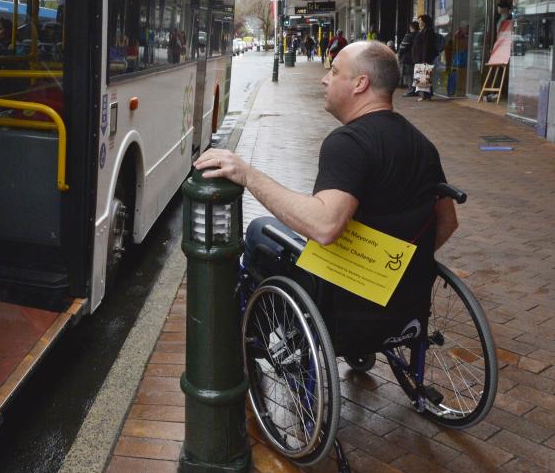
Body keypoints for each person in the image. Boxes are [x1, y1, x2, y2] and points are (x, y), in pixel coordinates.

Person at [195, 41, 458, 353]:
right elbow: (448, 222)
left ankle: (253, 341)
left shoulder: (348, 143)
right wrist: (393, 269)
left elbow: (324, 226)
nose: (324, 79)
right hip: (405, 304)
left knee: (259, 230)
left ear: (361, 84)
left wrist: (248, 175)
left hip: (344, 307)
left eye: (334, 72)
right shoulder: (422, 144)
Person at [411, 14, 437, 101]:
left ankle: (427, 95)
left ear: (425, 22)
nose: (419, 23)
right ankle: (425, 95)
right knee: (422, 77)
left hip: (424, 58)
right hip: (420, 57)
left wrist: (424, 59)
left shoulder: (428, 31)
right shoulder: (422, 31)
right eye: (418, 22)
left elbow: (426, 46)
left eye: (420, 21)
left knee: (425, 76)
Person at [398, 21, 420, 96]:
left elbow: (402, 47)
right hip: (418, 58)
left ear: (411, 27)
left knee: (409, 75)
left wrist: (399, 55)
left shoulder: (409, 36)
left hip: (408, 59)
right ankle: (416, 90)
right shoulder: (420, 35)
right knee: (416, 74)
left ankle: (411, 90)